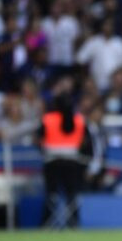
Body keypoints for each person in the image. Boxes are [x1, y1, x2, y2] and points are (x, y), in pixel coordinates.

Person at [39, 92, 86, 229]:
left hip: (51, 163)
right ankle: (73, 223)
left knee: (51, 195)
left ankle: (48, 223)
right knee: (72, 196)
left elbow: (39, 139)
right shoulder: (79, 120)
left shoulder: (48, 119)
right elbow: (84, 142)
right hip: (72, 163)